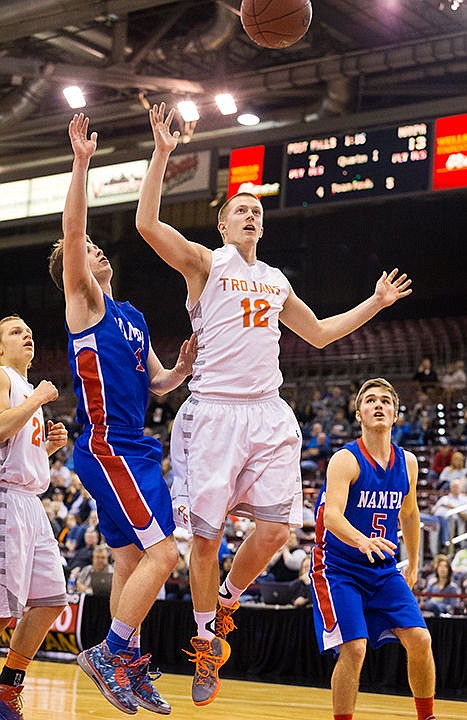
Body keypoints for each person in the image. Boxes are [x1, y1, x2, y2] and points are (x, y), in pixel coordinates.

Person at [134, 102, 413, 707]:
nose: (251, 213)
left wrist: (374, 303)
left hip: (266, 410)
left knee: (278, 527)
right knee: (203, 540)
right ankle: (207, 641)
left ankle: (228, 599)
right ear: (224, 226)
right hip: (212, 411)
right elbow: (149, 226)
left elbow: (317, 334)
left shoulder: (277, 279)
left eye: (256, 209)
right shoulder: (205, 265)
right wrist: (161, 153)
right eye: (240, 209)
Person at [47, 113, 197, 716]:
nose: (93, 249)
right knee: (166, 555)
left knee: (138, 563)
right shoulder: (82, 303)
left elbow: (158, 382)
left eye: (94, 248)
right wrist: (82, 163)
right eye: (83, 250)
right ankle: (109, 652)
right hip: (107, 447)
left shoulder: (131, 315)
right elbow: (72, 226)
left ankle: (127, 665)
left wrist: (182, 367)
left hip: (137, 447)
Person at [311, 377, 438, 720]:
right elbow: (332, 517)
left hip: (382, 568)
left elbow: (410, 513)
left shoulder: (408, 462)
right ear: (359, 414)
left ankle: (426, 716)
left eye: (385, 401)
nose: (378, 405)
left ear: (396, 414)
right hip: (338, 567)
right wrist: (361, 540)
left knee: (421, 641)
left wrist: (413, 562)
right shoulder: (345, 460)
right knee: (354, 649)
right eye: (370, 400)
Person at [0, 315, 69, 719]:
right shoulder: (6, 378)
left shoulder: (27, 390)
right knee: (5, 611)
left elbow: (17, 454)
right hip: (7, 500)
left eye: (29, 330)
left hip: (31, 504)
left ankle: (9, 687)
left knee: (50, 600)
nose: (26, 334)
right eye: (14, 332)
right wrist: (38, 401)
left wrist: (47, 450)